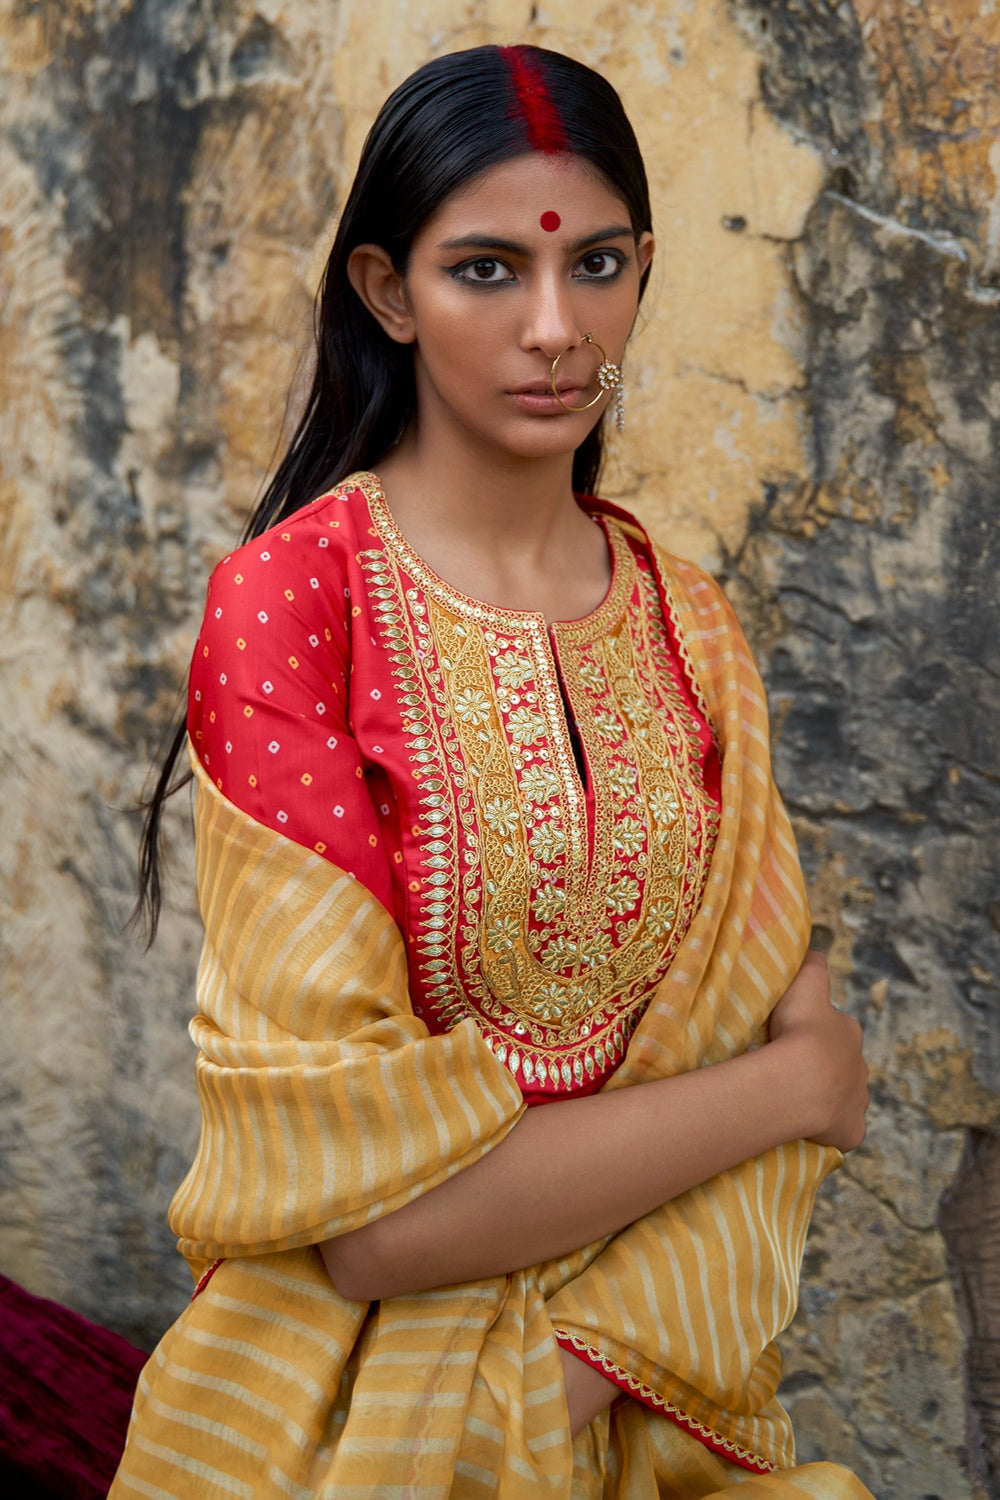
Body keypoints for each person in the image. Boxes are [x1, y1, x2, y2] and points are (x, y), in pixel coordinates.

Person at [112, 43, 873, 1499]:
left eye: (596, 265)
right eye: (485, 273)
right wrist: (786, 1091)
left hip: (652, 1404)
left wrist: (568, 1382)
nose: (553, 328)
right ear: (388, 292)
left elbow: (789, 1138)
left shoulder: (695, 632)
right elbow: (368, 1216)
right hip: (333, 1435)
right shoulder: (295, 611)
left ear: (645, 270)